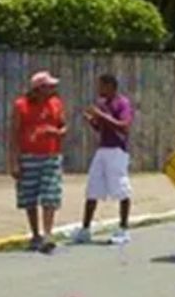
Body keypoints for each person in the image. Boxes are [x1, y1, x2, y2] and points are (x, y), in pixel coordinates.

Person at [73, 74, 134, 245]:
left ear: (110, 86)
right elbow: (101, 128)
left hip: (117, 150)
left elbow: (124, 127)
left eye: (102, 86)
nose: (99, 89)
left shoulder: (122, 103)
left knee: (121, 188)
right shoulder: (102, 104)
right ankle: (85, 229)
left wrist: (101, 114)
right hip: (103, 149)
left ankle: (123, 228)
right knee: (93, 187)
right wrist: (92, 120)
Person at [10, 71, 66, 253]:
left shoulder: (56, 104)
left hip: (51, 155)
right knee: (29, 196)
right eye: (48, 86)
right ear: (38, 89)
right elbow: (14, 134)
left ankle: (48, 234)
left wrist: (56, 132)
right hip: (28, 156)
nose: (52, 89)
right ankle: (35, 234)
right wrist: (14, 161)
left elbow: (63, 126)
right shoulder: (21, 105)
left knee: (50, 195)